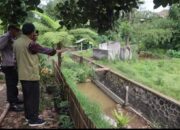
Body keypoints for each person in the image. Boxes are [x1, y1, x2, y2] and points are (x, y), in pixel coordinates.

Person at [13, 23, 58, 127]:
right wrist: (55, 51)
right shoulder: (31, 43)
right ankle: (33, 120)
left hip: (22, 74)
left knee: (27, 97)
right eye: (34, 31)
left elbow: (17, 58)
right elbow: (45, 50)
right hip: (31, 75)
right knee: (33, 99)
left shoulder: (16, 42)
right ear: (32, 32)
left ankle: (28, 116)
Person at [0, 24, 23, 112]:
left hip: (12, 65)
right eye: (17, 30)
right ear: (12, 30)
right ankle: (12, 104)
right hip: (8, 65)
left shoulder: (12, 38)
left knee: (14, 83)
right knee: (11, 84)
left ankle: (15, 100)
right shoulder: (6, 37)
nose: (18, 32)